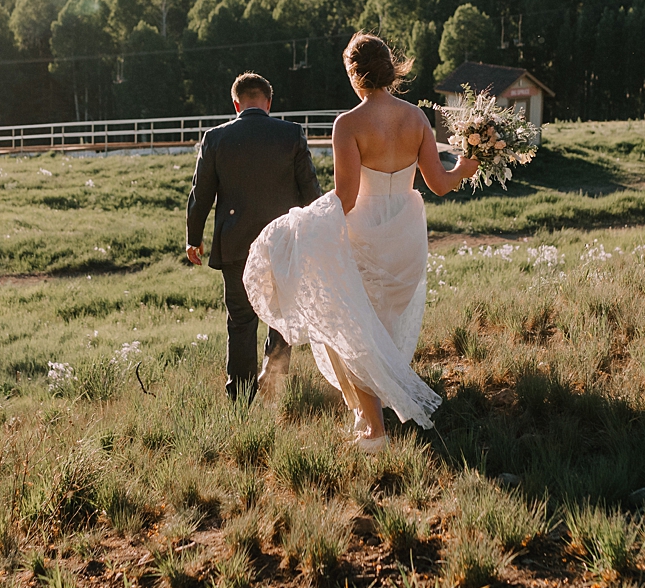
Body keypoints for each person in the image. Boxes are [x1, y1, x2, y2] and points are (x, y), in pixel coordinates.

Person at [244, 34, 478, 449]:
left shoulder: (348, 124)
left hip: (364, 233)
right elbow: (439, 184)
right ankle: (369, 414)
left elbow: (346, 197)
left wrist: (304, 222)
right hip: (405, 233)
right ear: (389, 68)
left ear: (355, 73)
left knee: (350, 328)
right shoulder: (417, 119)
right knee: (377, 327)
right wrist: (463, 167)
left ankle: (374, 430)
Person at [185, 72, 322, 403]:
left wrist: (194, 237)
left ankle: (240, 397)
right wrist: (315, 236)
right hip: (283, 244)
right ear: (269, 103)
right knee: (282, 311)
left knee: (241, 321)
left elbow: (200, 194)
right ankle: (273, 374)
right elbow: (311, 192)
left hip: (236, 245)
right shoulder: (291, 134)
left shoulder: (215, 138)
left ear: (236, 104)